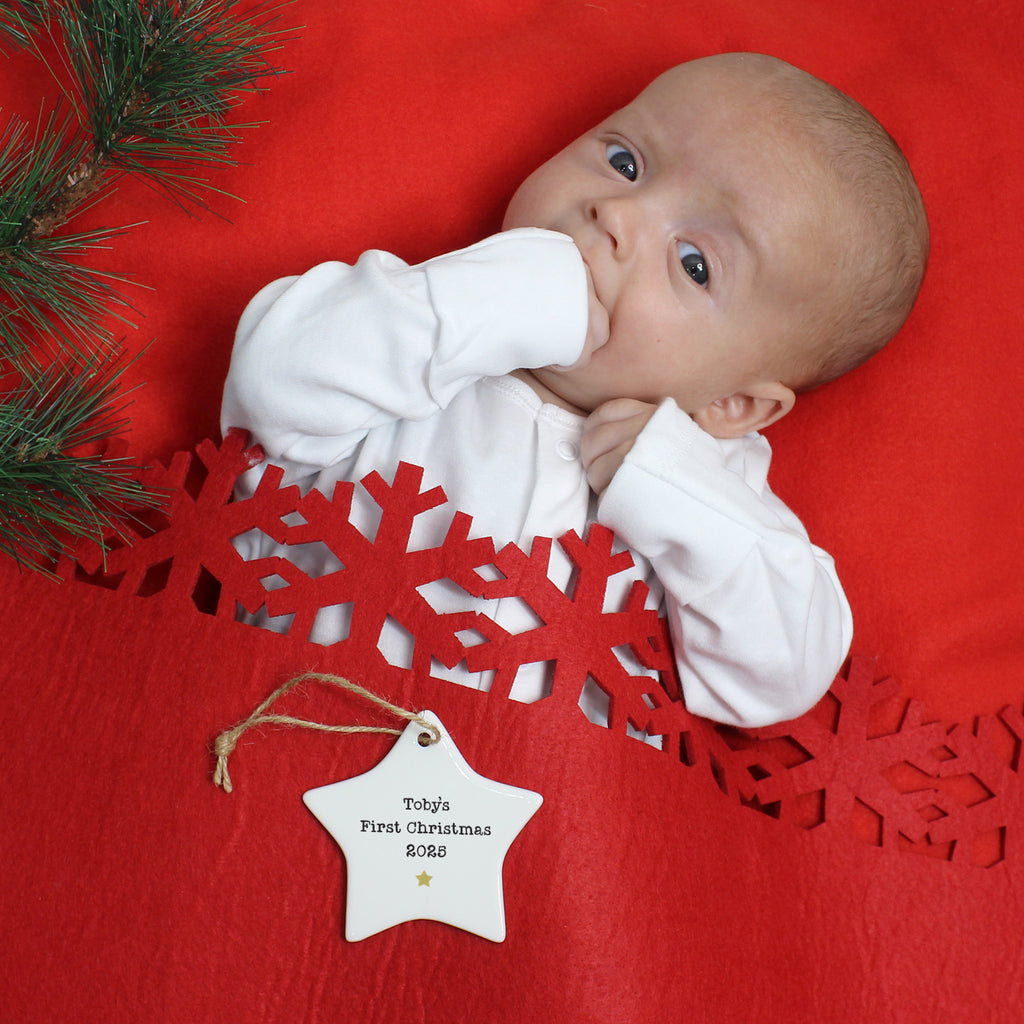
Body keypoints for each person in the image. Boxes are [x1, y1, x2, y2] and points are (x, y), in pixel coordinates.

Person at [221, 52, 929, 729]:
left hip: (545, 826)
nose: (617, 216)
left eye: (694, 263)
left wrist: (675, 490)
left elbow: (781, 679)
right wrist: (489, 297)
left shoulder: (710, 480)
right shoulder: (421, 330)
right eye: (624, 162)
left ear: (733, 406)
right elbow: (271, 375)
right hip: (281, 735)